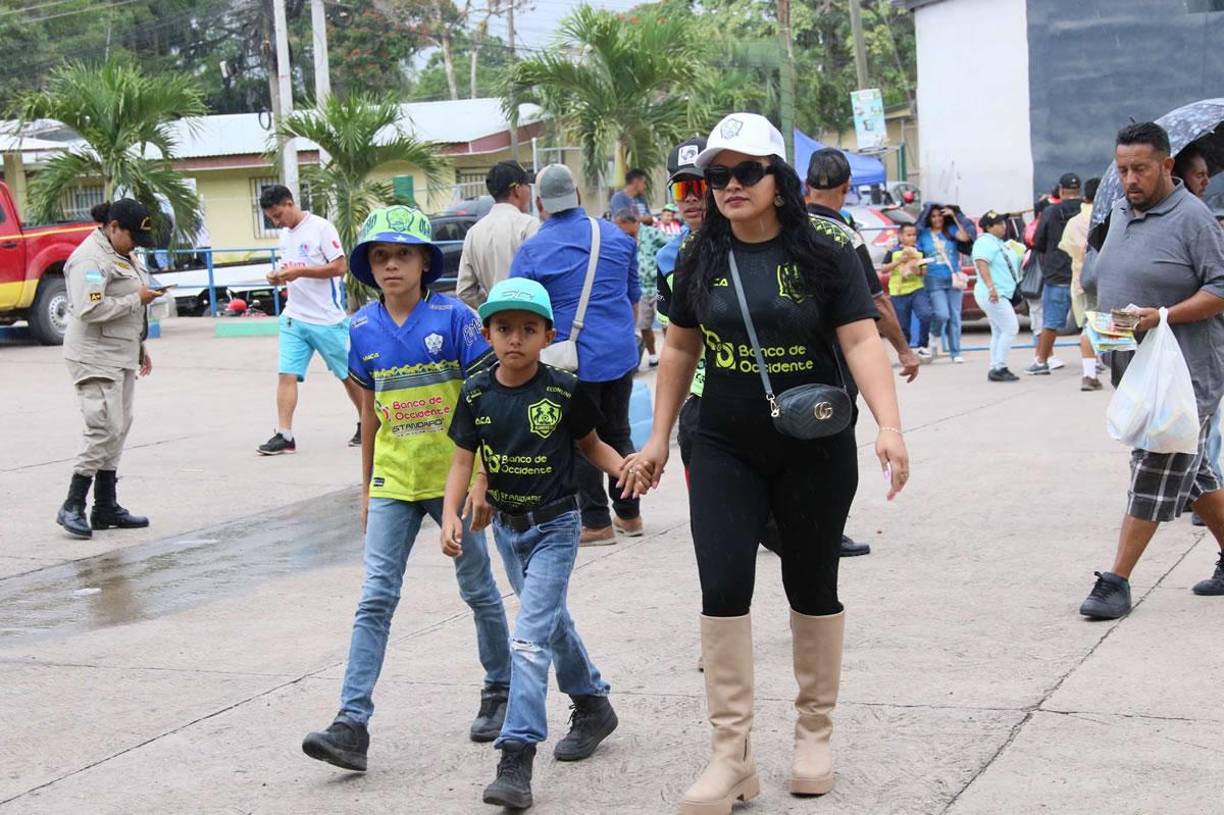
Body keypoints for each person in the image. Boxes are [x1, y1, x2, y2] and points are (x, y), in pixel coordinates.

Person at [627, 113, 909, 813]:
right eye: (714, 175)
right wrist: (659, 436)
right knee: (722, 584)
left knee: (812, 583)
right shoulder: (698, 256)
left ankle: (814, 734)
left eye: (744, 172)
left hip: (813, 443)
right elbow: (681, 349)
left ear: (778, 180)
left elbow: (860, 339)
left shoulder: (826, 252)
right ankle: (734, 757)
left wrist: (890, 425)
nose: (727, 186)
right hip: (722, 440)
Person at [300, 206, 513, 772]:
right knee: (375, 597)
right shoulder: (361, 330)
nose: (391, 265)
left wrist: (483, 481)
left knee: (478, 589)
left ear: (424, 263)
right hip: (394, 481)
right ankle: (351, 723)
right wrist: (367, 487)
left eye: (402, 255)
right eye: (379, 256)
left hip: (455, 481)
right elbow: (368, 416)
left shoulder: (458, 320)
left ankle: (499, 689)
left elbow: (484, 403)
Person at [443, 278, 643, 810]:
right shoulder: (476, 391)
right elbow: (464, 458)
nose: (515, 339)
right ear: (486, 334)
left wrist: (627, 470)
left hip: (556, 528)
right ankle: (592, 704)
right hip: (507, 530)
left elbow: (592, 446)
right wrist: (452, 514)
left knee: (528, 639)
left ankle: (516, 752)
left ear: (547, 335)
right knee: (550, 623)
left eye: (528, 330)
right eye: (504, 329)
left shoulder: (562, 389)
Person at [1079, 122, 1224, 619]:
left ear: (1166, 165)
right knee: (1192, 471)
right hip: (1136, 367)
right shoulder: (1120, 211)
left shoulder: (1193, 218)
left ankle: (1116, 582)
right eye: (1122, 169)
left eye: (1140, 168)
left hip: (1187, 371)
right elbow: (1117, 283)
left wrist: (1162, 316)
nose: (1129, 179)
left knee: (1156, 463)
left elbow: (1221, 289)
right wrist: (1104, 336)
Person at [509, 164, 643, 545]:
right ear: (579, 196)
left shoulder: (533, 250)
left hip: (571, 361)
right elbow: (633, 297)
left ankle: (597, 522)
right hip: (618, 352)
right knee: (618, 432)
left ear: (540, 203)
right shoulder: (618, 237)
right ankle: (630, 515)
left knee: (581, 440)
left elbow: (521, 311)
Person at [805, 147, 918, 558]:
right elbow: (877, 303)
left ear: (805, 186)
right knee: (832, 453)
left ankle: (783, 523)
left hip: (784, 361)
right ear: (847, 188)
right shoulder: (843, 236)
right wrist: (905, 351)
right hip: (836, 362)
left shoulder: (785, 228)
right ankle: (825, 533)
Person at [56, 199, 163, 539]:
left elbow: (127, 301)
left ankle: (105, 506)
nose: (136, 246)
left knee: (119, 428)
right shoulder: (90, 259)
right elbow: (89, 310)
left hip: (121, 353)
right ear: (114, 227)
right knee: (102, 427)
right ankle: (72, 504)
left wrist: (140, 346)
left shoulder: (123, 254)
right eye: (132, 237)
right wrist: (138, 300)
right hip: (92, 355)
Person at [255, 185, 364, 454]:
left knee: (348, 375)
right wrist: (278, 276)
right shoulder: (285, 236)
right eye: (271, 218)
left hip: (327, 319)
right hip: (294, 317)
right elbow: (292, 269)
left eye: (278, 215)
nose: (276, 221)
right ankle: (285, 434)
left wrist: (301, 273)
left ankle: (368, 423)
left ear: (290, 203)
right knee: (286, 373)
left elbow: (339, 267)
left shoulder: (321, 228)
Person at [455, 160, 541, 309]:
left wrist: (493, 304)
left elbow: (464, 291)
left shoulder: (474, 233)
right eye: (528, 186)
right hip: (530, 316)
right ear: (517, 189)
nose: (529, 192)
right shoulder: (529, 226)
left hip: (496, 324)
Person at [1028, 173, 1084, 376]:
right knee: (1091, 320)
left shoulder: (1051, 212)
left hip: (1057, 274)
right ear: (1079, 190)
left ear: (1060, 190)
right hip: (1083, 274)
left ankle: (1042, 361)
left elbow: (1038, 241)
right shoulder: (1088, 211)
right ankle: (1095, 361)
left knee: (1051, 321)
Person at [1059, 177, 1105, 391]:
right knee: (1113, 321)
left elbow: (1068, 249)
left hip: (1082, 279)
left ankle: (1089, 372)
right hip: (1107, 278)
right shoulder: (1108, 217)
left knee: (1089, 325)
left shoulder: (1074, 222)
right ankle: (1101, 368)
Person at [916, 202, 975, 363]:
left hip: (953, 278)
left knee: (955, 316)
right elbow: (918, 254)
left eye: (940, 216)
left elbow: (965, 237)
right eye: (933, 216)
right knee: (942, 314)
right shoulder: (923, 235)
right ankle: (934, 335)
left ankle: (955, 352)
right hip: (933, 279)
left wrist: (954, 216)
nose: (937, 219)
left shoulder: (950, 231)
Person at [614, 209, 669, 368]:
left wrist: (661, 266)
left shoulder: (652, 234)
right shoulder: (624, 240)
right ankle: (653, 356)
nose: (618, 229)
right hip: (641, 290)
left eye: (620, 225)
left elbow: (672, 245)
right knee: (644, 325)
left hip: (659, 286)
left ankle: (668, 356)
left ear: (630, 223)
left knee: (666, 323)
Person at [971, 211, 1022, 382]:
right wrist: (991, 287)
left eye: (1003, 223)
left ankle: (996, 365)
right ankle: (999, 366)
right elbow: (981, 263)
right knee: (1010, 327)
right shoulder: (984, 242)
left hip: (1000, 292)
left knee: (999, 331)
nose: (1003, 227)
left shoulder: (1000, 243)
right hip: (993, 293)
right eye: (999, 224)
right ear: (988, 227)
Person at [880, 224, 933, 350]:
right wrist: (900, 261)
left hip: (917, 289)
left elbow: (924, 272)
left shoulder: (919, 252)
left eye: (914, 235)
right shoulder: (893, 252)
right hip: (898, 292)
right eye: (908, 235)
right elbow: (884, 269)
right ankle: (906, 349)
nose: (912, 238)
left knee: (926, 314)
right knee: (903, 325)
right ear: (900, 236)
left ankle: (923, 345)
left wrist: (916, 269)